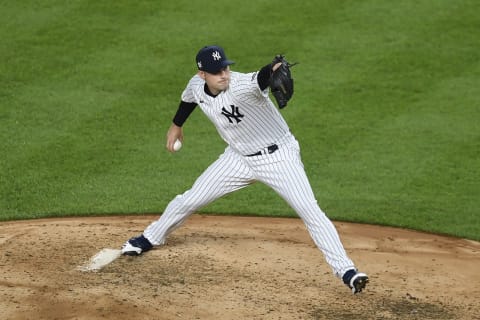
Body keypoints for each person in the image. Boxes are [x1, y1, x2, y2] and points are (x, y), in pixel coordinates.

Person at [121, 45, 369, 293]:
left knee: (309, 210)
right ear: (202, 75)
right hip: (238, 159)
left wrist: (273, 69)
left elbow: (260, 77)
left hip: (279, 157)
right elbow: (188, 99)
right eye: (216, 71)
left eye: (225, 68)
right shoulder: (196, 86)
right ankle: (151, 237)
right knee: (191, 199)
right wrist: (176, 125)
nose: (224, 75)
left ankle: (346, 271)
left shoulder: (240, 85)